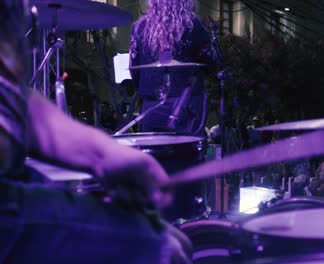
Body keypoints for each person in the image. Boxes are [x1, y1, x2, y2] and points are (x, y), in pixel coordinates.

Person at [0, 1, 188, 262]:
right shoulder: (193, 28)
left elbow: (13, 100)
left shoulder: (140, 28)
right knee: (158, 247)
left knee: (161, 234)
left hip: (12, 174)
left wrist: (102, 154)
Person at [129, 0, 214, 135]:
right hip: (187, 106)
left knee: (153, 153)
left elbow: (134, 69)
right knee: (186, 153)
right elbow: (210, 63)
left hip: (151, 107)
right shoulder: (195, 24)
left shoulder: (139, 27)